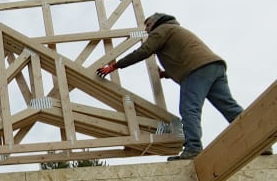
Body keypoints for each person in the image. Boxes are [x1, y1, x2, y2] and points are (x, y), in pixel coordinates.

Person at [96, 13, 270, 160]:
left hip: (196, 70)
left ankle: (193, 148)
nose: (146, 29)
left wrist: (115, 66)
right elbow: (184, 59)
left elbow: (143, 51)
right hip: (213, 66)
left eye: (148, 25)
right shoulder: (175, 30)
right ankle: (262, 142)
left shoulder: (161, 30)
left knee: (189, 109)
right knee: (229, 107)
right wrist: (165, 74)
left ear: (156, 22)